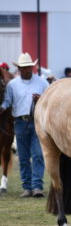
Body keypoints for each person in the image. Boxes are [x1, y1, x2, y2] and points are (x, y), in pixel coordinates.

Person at [0, 53, 49, 198]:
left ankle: (37, 186)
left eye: (28, 67)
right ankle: (27, 187)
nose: (26, 70)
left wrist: (41, 99)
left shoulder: (42, 83)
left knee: (38, 154)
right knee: (23, 157)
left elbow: (49, 99)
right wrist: (2, 107)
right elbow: (8, 101)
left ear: (32, 67)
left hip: (37, 122)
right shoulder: (12, 85)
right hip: (20, 123)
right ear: (19, 68)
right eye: (23, 67)